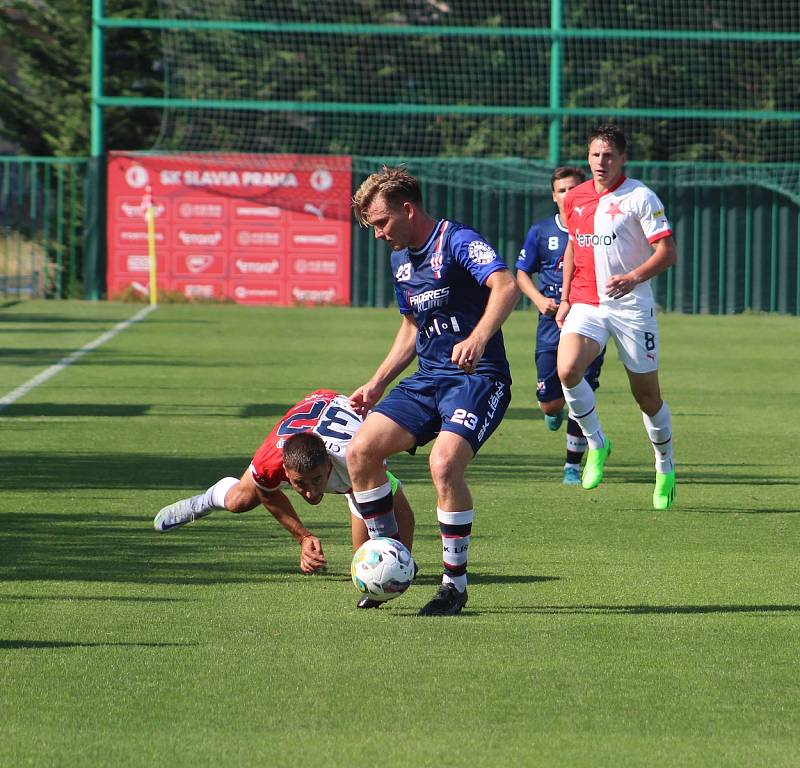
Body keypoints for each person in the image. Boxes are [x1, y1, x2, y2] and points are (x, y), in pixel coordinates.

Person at [348, 166, 520, 616]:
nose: (378, 234)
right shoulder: (399, 259)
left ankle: (453, 586)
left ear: (408, 209)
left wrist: (480, 335)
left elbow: (506, 285)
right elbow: (411, 326)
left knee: (443, 464)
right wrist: (378, 381)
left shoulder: (457, 240)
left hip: (479, 378)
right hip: (428, 379)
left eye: (382, 222)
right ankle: (390, 562)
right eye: (372, 226)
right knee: (361, 453)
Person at [153, 389, 415, 608]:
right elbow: (266, 492)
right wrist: (303, 536)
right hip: (303, 422)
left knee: (365, 552)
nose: (311, 493)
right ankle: (205, 500)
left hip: (341, 436)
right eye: (299, 484)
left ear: (327, 467)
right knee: (239, 501)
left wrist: (399, 564)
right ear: (286, 473)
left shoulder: (358, 458)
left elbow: (402, 512)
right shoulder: (271, 461)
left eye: (316, 481)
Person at [555, 125, 677, 510]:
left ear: (623, 158)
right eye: (595, 155)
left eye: (608, 156)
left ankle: (665, 466)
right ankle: (597, 443)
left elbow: (667, 252)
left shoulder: (640, 197)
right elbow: (575, 248)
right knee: (567, 369)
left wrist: (633, 277)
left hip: (631, 307)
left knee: (647, 397)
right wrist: (564, 297)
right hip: (587, 302)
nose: (601, 162)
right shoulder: (573, 198)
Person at [515, 166, 606, 485]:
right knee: (551, 401)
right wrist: (540, 300)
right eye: (562, 190)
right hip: (551, 321)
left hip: (589, 317)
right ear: (554, 196)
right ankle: (552, 411)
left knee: (580, 391)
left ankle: (572, 464)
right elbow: (521, 273)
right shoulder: (541, 231)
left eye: (573, 188)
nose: (568, 195)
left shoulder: (599, 227)